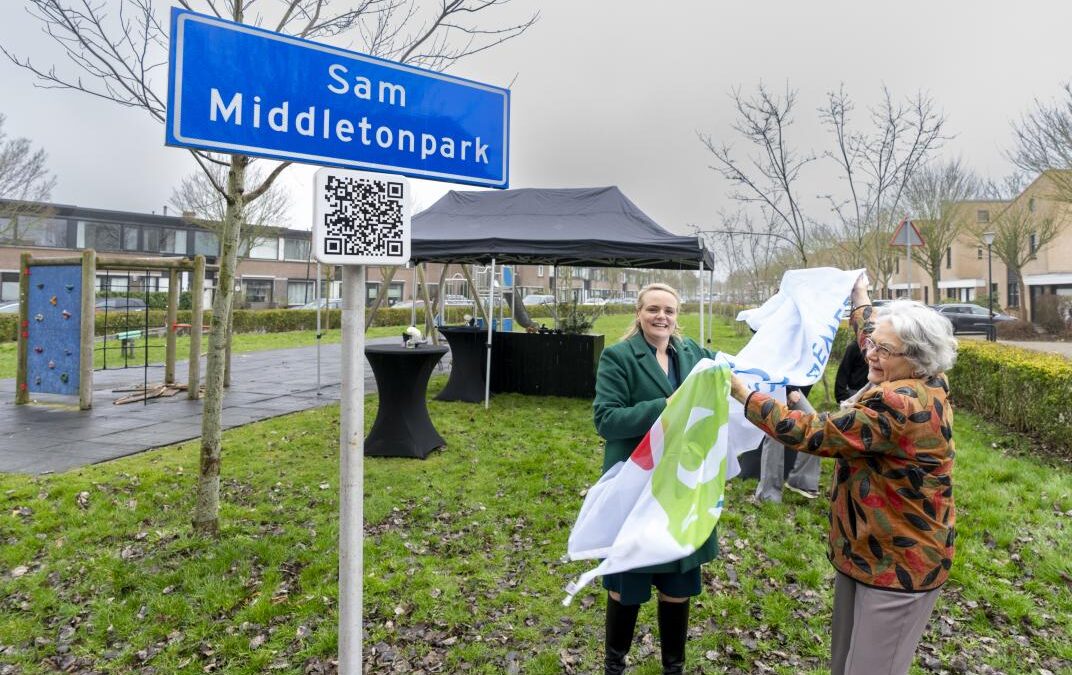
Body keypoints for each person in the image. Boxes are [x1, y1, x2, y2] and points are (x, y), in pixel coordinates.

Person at [729, 275, 958, 675]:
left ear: (917, 357)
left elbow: (812, 433)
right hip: (865, 551)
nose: (869, 352)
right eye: (872, 344)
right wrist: (861, 297)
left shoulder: (898, 402)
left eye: (883, 350)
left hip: (899, 563)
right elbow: (874, 331)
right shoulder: (923, 375)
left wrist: (743, 394)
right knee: (844, 666)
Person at [592, 282, 717, 675]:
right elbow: (607, 421)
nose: (661, 317)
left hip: (680, 487)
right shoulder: (618, 357)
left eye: (669, 310)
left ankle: (673, 669)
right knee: (626, 583)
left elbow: (731, 373)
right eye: (653, 309)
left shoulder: (694, 355)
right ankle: (615, 667)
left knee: (676, 582)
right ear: (639, 312)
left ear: (677, 315)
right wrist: (665, 406)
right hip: (635, 484)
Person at [754, 384, 822, 502]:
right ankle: (768, 494)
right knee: (776, 432)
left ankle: (800, 480)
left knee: (816, 426)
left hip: (794, 388)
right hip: (776, 385)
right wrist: (789, 390)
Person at [834, 338, 870, 403]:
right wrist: (841, 396)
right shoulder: (854, 347)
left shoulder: (876, 348)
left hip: (870, 392)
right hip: (854, 392)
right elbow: (843, 371)